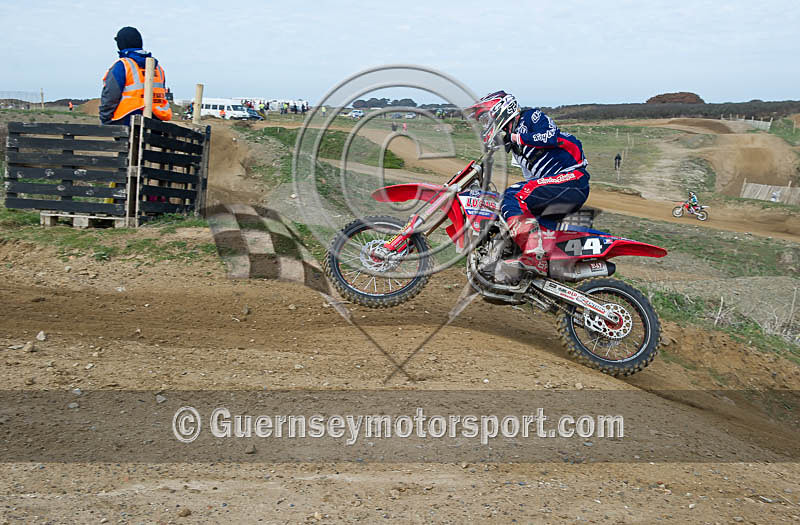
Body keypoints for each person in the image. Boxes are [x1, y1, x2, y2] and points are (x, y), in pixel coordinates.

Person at [466, 91, 590, 276]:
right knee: (514, 207)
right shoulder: (516, 148)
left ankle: (533, 252)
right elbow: (532, 180)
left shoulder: (531, 116)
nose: (485, 124)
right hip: (557, 186)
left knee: (514, 195)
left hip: (573, 179)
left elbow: (550, 136)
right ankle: (530, 262)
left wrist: (516, 138)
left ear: (500, 110)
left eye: (485, 118)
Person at [99, 27, 172, 125]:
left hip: (127, 119)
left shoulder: (122, 66)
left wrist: (105, 119)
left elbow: (110, 96)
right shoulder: (158, 68)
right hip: (156, 121)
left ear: (121, 43)